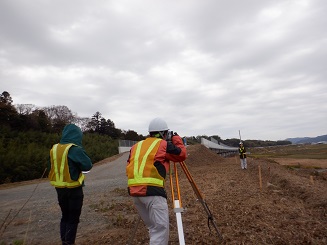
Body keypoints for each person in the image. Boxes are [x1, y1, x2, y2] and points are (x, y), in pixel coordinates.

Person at [126, 117, 187, 245]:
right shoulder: (163, 144)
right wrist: (177, 139)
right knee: (160, 230)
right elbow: (181, 154)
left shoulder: (136, 146)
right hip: (153, 193)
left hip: (135, 193)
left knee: (153, 228)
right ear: (163, 133)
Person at [48, 124, 92, 245]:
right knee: (73, 218)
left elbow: (50, 166)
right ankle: (69, 242)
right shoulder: (75, 149)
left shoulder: (54, 148)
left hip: (59, 189)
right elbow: (87, 166)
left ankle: (64, 241)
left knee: (65, 216)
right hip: (74, 189)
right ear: (77, 135)